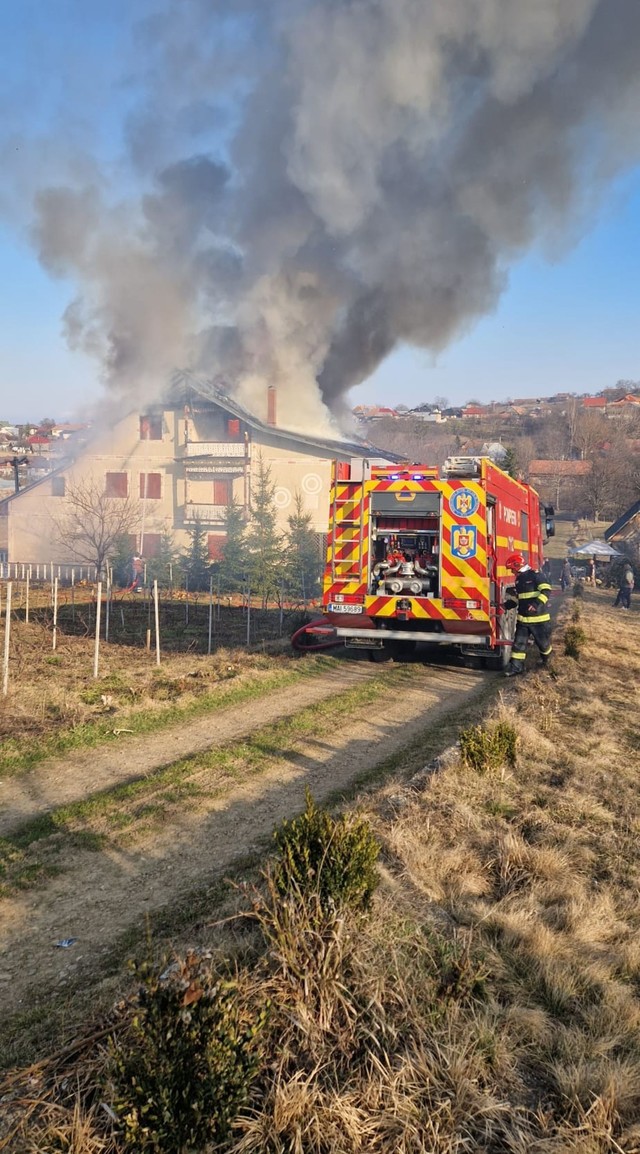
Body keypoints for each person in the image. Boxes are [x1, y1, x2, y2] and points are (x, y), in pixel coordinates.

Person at [503, 552, 553, 676]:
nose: (512, 572)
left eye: (512, 569)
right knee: (518, 645)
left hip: (539, 620)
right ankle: (516, 668)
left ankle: (547, 661)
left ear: (517, 565)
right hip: (523, 620)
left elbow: (546, 591)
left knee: (543, 644)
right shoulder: (519, 579)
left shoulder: (536, 576)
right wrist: (505, 605)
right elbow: (518, 598)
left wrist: (536, 604)